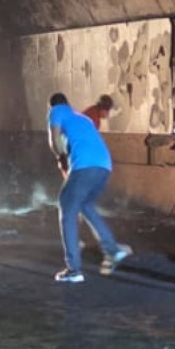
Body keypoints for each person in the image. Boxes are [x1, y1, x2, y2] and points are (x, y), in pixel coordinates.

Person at [47, 92, 133, 284]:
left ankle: (73, 269)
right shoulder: (82, 118)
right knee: (85, 205)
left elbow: (54, 141)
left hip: (84, 166)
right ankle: (112, 250)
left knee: (67, 206)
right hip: (104, 167)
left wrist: (60, 157)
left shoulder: (56, 111)